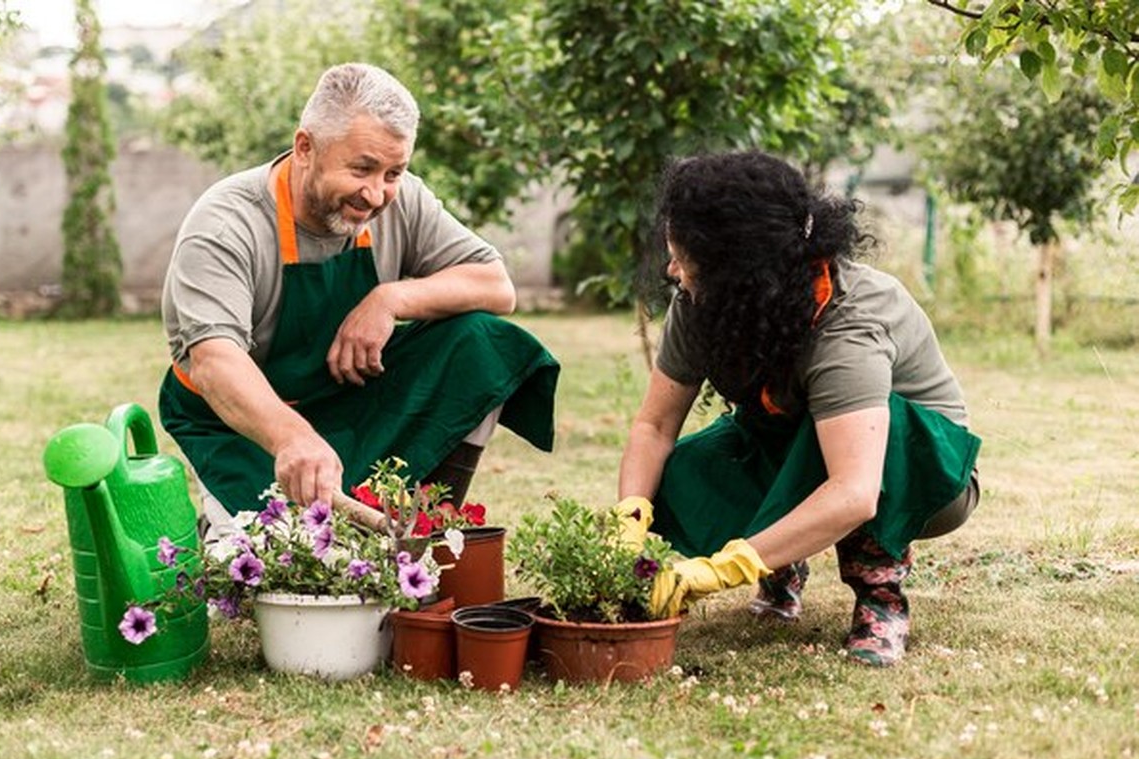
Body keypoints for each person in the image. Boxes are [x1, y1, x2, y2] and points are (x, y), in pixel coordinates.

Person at [159, 63, 560, 535]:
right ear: (305, 147)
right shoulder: (226, 225)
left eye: (395, 171)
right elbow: (214, 361)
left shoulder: (401, 199)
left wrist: (389, 299)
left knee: (483, 341)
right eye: (362, 168)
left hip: (345, 399)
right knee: (276, 565)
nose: (376, 194)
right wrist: (294, 439)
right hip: (243, 427)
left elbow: (496, 285)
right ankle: (223, 523)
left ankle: (428, 526)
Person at [615, 150, 980, 667]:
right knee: (680, 477)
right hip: (798, 447)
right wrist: (628, 516)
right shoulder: (705, 299)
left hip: (922, 471)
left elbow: (854, 491)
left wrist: (728, 567)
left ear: (737, 270)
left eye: (683, 255)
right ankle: (782, 564)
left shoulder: (850, 324)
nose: (671, 268)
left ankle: (881, 600)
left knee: (852, 443)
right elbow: (654, 426)